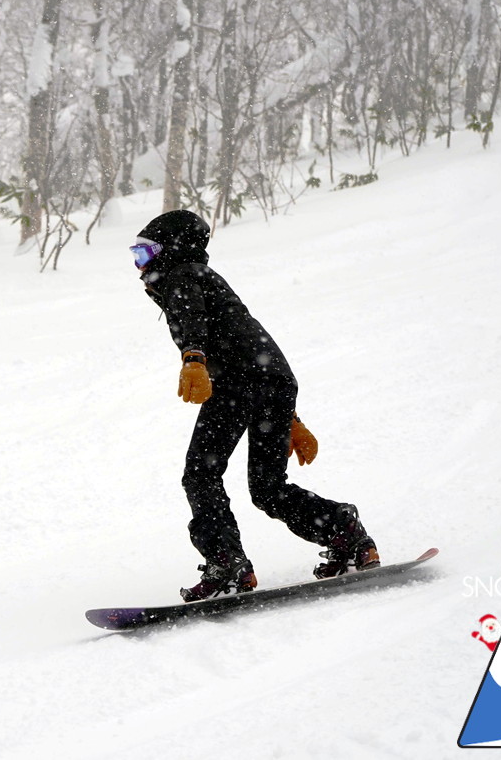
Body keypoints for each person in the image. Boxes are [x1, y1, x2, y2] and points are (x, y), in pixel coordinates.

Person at [130, 209, 379, 602]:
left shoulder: (181, 275)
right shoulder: (205, 278)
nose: (139, 266)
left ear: (171, 249)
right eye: (135, 255)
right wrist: (290, 415)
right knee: (267, 487)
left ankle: (228, 565)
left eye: (144, 253)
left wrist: (193, 358)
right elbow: (248, 339)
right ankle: (345, 533)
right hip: (272, 381)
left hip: (239, 383)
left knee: (200, 475)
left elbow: (195, 321)